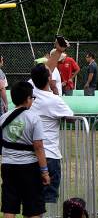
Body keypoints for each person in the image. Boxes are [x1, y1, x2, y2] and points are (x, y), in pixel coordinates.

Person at [0, 79, 51, 218]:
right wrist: (45, 172)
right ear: (28, 99)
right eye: (32, 98)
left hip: (8, 166)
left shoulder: (3, 118)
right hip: (29, 167)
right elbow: (39, 147)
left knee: (9, 208)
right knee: (33, 208)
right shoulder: (34, 118)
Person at [30, 63, 74, 215]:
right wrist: (55, 91)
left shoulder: (30, 96)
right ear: (49, 78)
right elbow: (70, 117)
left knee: (33, 202)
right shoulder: (53, 100)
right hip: (49, 156)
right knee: (45, 203)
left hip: (30, 157)